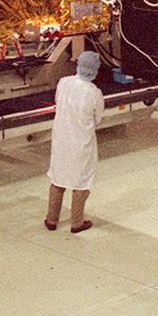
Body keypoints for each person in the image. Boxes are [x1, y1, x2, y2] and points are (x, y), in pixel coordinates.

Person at [46, 51, 106, 233]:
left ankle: (51, 219)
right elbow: (98, 118)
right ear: (95, 70)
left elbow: (58, 103)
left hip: (61, 139)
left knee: (58, 178)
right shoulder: (94, 93)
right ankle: (77, 222)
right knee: (82, 182)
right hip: (82, 143)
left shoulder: (64, 82)